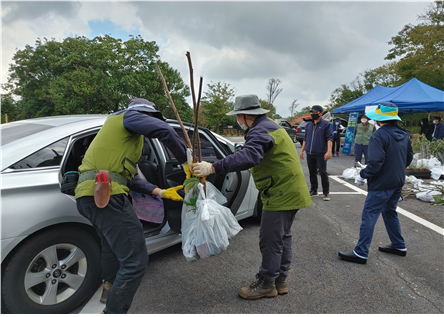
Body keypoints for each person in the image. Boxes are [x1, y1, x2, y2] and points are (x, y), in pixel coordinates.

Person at [75, 98, 191, 314]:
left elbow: (130, 178)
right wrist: (188, 163)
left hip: (92, 196)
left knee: (110, 246)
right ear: (143, 114)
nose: (150, 124)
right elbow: (164, 130)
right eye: (152, 118)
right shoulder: (126, 117)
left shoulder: (126, 140)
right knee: (136, 262)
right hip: (107, 196)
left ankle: (108, 289)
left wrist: (161, 191)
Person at [192, 94, 311, 300]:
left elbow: (249, 156)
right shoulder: (270, 126)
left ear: (245, 115)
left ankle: (267, 283)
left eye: (238, 116)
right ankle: (280, 280)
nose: (237, 121)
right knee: (282, 237)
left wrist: (212, 167)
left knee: (271, 239)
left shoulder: (260, 130)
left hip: (280, 192)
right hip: (289, 189)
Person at [338, 102, 413, 265]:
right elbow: (408, 158)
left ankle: (361, 252)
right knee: (389, 211)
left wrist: (363, 174)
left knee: (369, 215)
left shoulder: (379, 135)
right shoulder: (404, 134)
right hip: (398, 181)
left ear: (379, 118)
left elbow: (376, 162)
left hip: (382, 183)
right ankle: (399, 245)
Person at [299, 105, 333, 201]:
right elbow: (305, 139)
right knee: (312, 172)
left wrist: (328, 151)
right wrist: (302, 151)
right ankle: (314, 190)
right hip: (310, 152)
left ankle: (326, 192)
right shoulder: (309, 125)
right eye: (312, 112)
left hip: (321, 153)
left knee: (322, 172)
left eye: (315, 113)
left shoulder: (326, 125)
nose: (313, 114)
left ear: (321, 113)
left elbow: (329, 139)